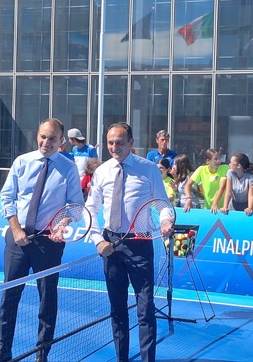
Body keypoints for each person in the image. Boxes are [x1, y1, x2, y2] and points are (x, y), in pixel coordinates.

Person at [0, 118, 83, 362]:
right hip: (17, 241)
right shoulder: (22, 162)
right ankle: (3, 352)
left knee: (47, 301)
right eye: (43, 137)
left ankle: (42, 354)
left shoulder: (68, 168)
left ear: (61, 141)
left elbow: (76, 207)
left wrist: (62, 224)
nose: (46, 142)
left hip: (49, 243)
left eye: (52, 138)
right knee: (9, 299)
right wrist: (16, 230)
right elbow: (7, 198)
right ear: (38, 136)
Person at [85, 122, 172, 362]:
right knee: (118, 311)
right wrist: (97, 241)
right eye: (111, 142)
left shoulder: (148, 169)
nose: (115, 147)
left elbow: (162, 203)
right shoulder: (102, 171)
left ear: (131, 144)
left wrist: (166, 221)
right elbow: (90, 208)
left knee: (145, 310)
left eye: (120, 142)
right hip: (110, 246)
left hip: (140, 245)